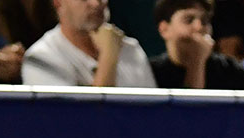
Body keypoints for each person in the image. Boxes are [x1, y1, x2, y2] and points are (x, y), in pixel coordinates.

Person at [22, 0, 157, 85]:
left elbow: (152, 116)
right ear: (58, 3)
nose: (96, 3)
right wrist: (108, 57)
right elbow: (86, 120)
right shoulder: (40, 58)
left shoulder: (131, 50)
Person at [149, 0, 244, 87]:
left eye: (205, 21)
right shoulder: (151, 73)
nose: (199, 27)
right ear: (164, 29)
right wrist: (197, 62)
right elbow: (189, 105)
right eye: (188, 20)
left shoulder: (232, 71)